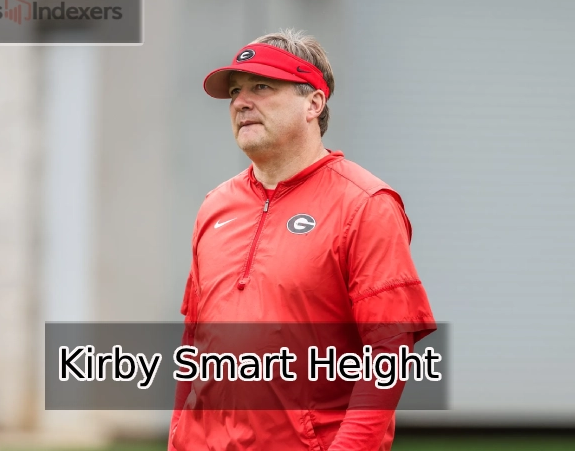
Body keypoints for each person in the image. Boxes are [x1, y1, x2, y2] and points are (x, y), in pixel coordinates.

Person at [168, 29, 436, 451]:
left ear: (314, 103)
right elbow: (194, 343)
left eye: (262, 86)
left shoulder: (365, 205)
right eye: (236, 91)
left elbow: (388, 352)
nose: (241, 102)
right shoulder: (214, 207)